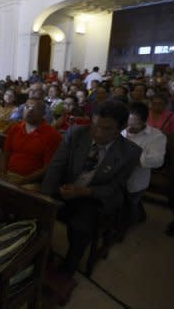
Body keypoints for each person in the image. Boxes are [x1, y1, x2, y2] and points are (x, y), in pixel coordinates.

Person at [42, 101, 141, 293]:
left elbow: (116, 187)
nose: (98, 133)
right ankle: (46, 255)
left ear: (120, 128)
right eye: (95, 126)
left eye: (107, 129)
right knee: (37, 210)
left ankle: (71, 264)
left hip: (93, 196)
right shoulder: (76, 133)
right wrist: (46, 199)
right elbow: (56, 167)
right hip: (66, 186)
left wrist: (84, 192)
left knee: (80, 226)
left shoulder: (130, 152)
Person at [121, 102, 166, 224]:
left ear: (144, 121)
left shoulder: (156, 136)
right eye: (127, 122)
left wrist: (132, 151)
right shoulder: (122, 129)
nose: (129, 127)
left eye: (134, 124)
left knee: (131, 203)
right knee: (123, 204)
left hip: (136, 180)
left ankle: (135, 219)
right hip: (117, 177)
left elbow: (158, 161)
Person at [0, 99, 61, 186]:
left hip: (32, 182)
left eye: (34, 108)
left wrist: (22, 181)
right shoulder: (15, 128)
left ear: (43, 113)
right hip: (8, 175)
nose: (29, 110)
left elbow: (48, 167)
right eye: (27, 107)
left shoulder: (52, 135)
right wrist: (3, 174)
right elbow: (5, 154)